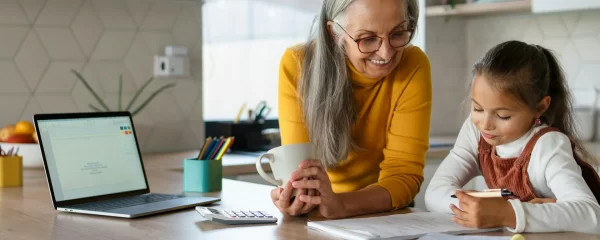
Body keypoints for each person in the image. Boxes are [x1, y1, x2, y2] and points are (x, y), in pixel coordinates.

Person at [272, 0, 432, 219]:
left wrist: (341, 204)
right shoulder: (298, 64)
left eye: (397, 34)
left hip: (385, 213)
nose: (386, 53)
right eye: (367, 39)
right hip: (322, 214)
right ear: (334, 33)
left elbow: (404, 175)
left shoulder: (413, 64)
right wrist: (295, 197)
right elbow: (301, 171)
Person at [425, 40, 600, 233]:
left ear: (540, 107)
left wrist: (506, 213)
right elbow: (434, 192)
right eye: (477, 108)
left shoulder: (548, 145)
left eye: (503, 116)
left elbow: (591, 214)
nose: (485, 124)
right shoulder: (476, 132)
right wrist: (478, 206)